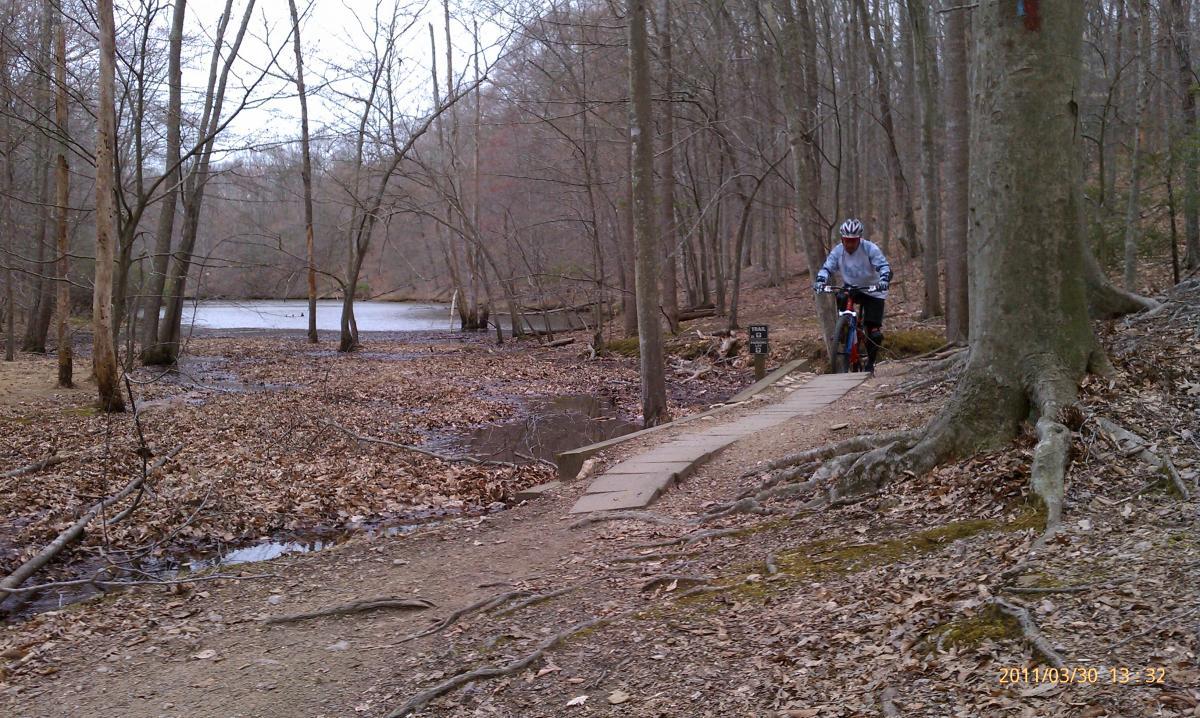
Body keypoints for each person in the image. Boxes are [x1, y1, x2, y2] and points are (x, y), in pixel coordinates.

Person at [813, 218, 892, 372]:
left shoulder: (870, 249)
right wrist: (820, 280)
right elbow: (827, 268)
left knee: (874, 332)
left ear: (859, 239)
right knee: (841, 296)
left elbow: (884, 266)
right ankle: (843, 326)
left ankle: (870, 365)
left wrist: (884, 279)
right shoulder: (838, 251)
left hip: (873, 290)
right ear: (842, 239)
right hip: (852, 288)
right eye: (846, 241)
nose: (849, 244)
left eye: (853, 241)